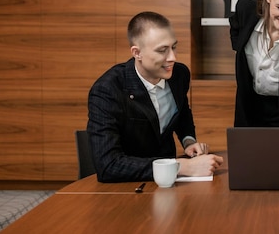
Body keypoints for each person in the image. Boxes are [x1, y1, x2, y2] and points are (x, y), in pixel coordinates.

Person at [87, 11, 223, 182]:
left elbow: (182, 112)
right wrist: (181, 166)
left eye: (173, 47)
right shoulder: (107, 90)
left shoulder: (179, 74)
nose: (173, 57)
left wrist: (188, 141)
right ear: (137, 53)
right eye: (162, 50)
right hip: (126, 187)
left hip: (172, 184)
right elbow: (108, 166)